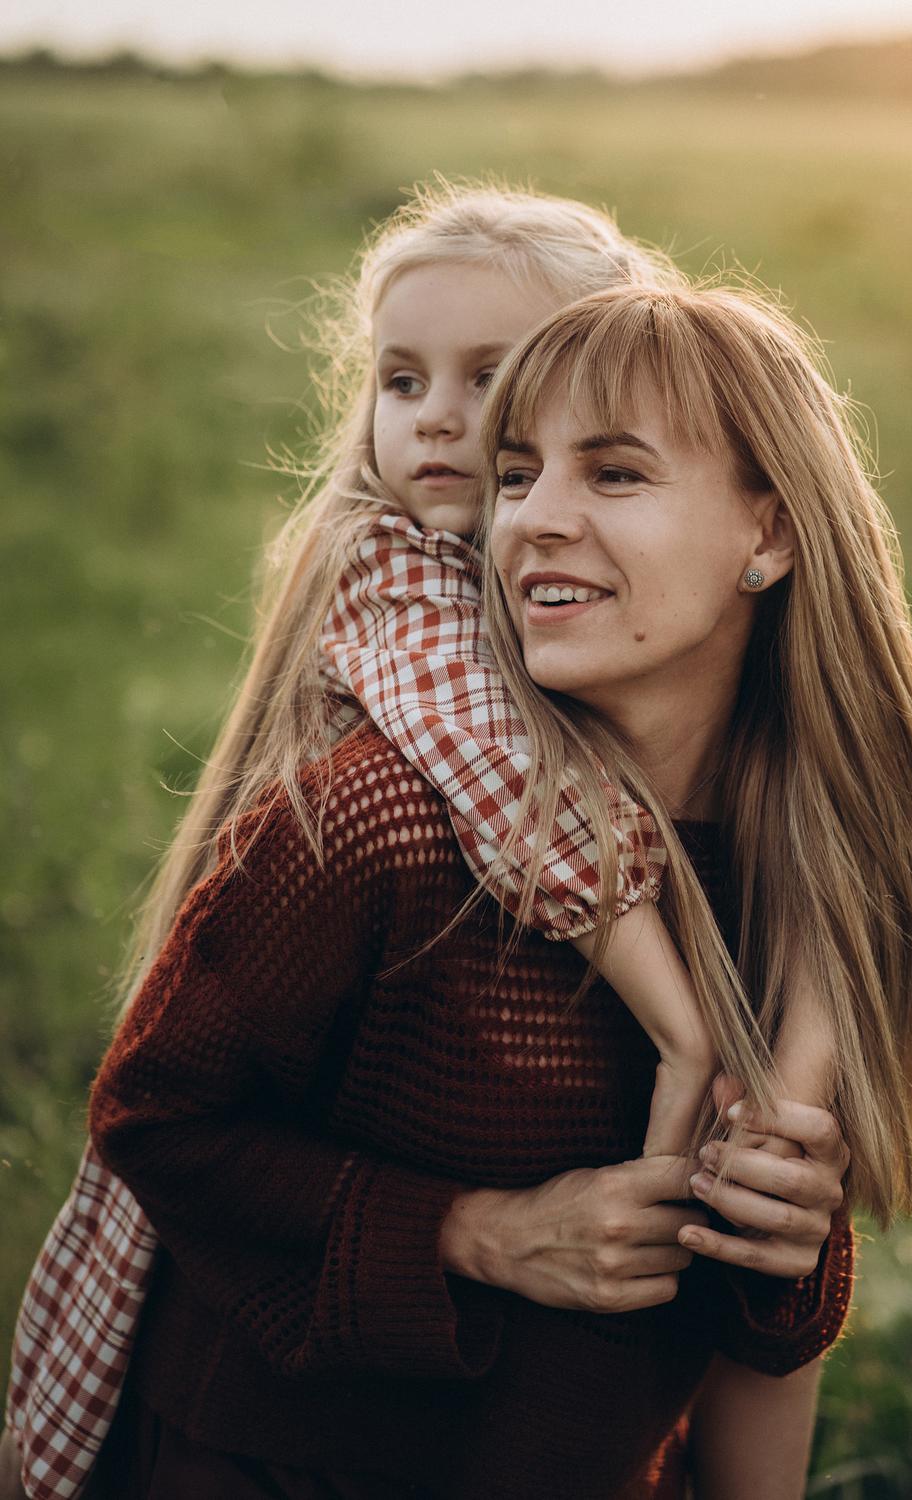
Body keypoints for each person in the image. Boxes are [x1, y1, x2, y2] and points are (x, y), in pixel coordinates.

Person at [3, 184, 850, 1500]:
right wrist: (484, 1234)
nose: (521, 496)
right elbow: (161, 1122)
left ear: (768, 524)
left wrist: (791, 1233)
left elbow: (760, 1340)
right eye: (519, 468)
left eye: (607, 459)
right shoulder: (386, 799)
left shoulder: (801, 850)